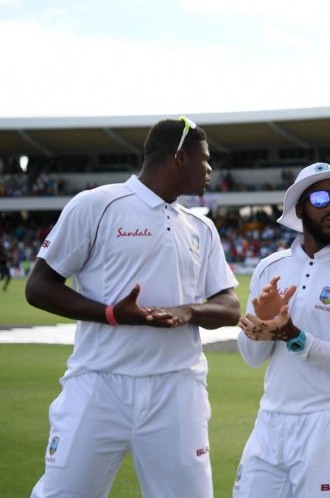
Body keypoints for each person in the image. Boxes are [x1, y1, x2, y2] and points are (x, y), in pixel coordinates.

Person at [25, 117, 240, 498]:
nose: (210, 170)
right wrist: (111, 314)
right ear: (178, 157)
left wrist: (188, 312)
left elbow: (229, 306)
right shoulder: (97, 204)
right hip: (98, 383)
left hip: (177, 389)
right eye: (204, 160)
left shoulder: (201, 228)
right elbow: (39, 286)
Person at [234, 162, 330, 497]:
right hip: (270, 421)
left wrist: (294, 336)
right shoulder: (270, 267)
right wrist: (261, 325)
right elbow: (251, 357)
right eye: (321, 198)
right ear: (300, 208)